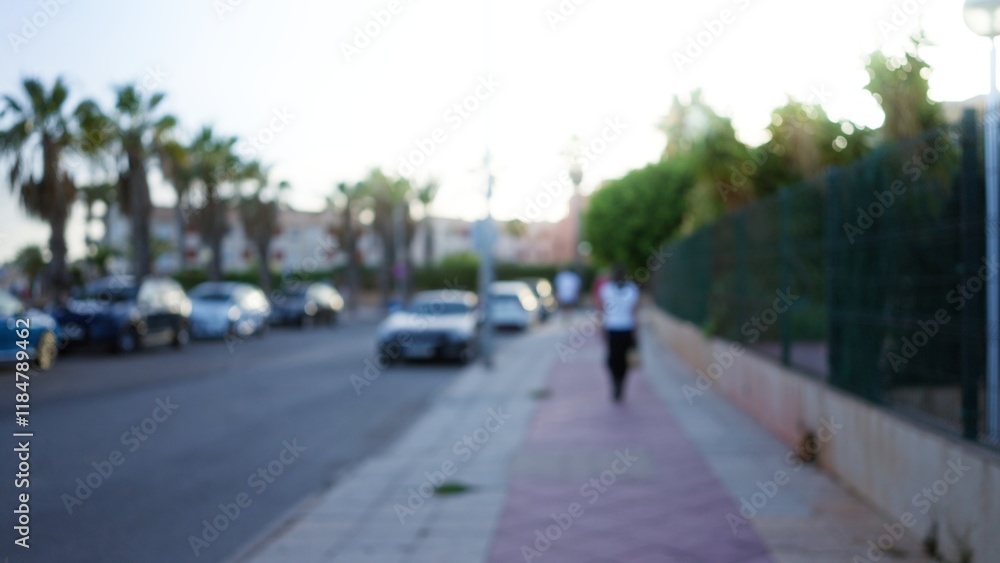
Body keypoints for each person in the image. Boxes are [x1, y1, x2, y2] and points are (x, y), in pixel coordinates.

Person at [599, 264, 640, 402]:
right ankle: (619, 382)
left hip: (615, 328)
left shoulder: (607, 289)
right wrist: (636, 332)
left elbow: (603, 310)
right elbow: (635, 312)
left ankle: (617, 382)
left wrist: (602, 328)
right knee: (620, 360)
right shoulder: (631, 289)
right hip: (624, 328)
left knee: (614, 359)